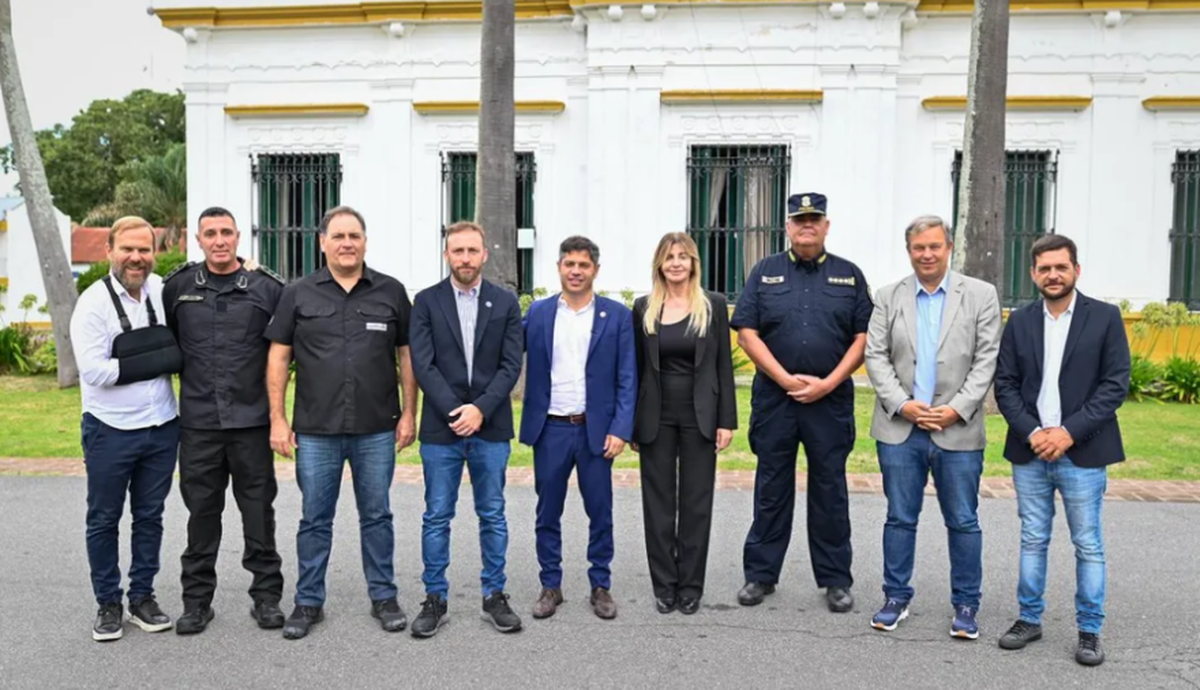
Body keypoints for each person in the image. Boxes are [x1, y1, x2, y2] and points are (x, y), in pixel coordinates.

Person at [264, 205, 418, 640]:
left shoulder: (390, 291)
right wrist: (277, 419)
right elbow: (278, 357)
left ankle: (384, 597)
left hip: (376, 428)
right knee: (315, 518)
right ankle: (308, 602)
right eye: (339, 236)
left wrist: (410, 413)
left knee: (377, 516)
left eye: (354, 236)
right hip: (315, 429)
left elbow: (406, 355)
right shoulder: (297, 293)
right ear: (323, 242)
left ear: (364, 242)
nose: (347, 243)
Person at [730, 192, 873, 613]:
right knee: (771, 487)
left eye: (814, 219)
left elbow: (863, 336)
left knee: (830, 489)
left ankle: (835, 580)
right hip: (776, 400)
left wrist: (828, 383)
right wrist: (785, 379)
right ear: (788, 227)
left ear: (826, 225)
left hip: (829, 402)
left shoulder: (849, 275)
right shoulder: (765, 271)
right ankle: (760, 575)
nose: (806, 225)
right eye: (799, 219)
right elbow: (747, 331)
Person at [993, 234, 1130, 667]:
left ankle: (1089, 631)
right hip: (1030, 450)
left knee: (1087, 543)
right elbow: (1006, 384)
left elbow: (1114, 385)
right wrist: (1034, 432)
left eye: (1061, 267)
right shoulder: (1020, 320)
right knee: (1033, 539)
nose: (1053, 274)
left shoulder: (1105, 318)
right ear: (1034, 274)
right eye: (1045, 268)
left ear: (1076, 270)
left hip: (1082, 450)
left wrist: (1067, 433)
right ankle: (1029, 619)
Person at [863, 215, 1001, 639]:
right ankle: (895, 597)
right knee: (900, 518)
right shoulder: (888, 296)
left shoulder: (980, 295)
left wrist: (956, 409)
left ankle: (966, 604)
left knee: (962, 519)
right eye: (919, 247)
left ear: (949, 248)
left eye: (934, 246)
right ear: (909, 251)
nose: (927, 254)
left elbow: (986, 359)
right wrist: (903, 405)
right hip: (901, 429)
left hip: (956, 429)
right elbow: (875, 356)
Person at [162, 206, 286, 635]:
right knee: (201, 515)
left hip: (251, 424)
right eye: (210, 233)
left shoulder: (266, 289)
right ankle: (196, 603)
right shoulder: (177, 288)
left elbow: (282, 355)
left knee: (258, 514)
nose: (219, 240)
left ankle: (266, 598)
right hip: (198, 425)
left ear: (238, 237)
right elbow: (166, 344)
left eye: (226, 232)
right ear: (198, 239)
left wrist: (277, 418)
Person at [407, 221, 525, 638]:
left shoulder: (505, 302)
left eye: (472, 251)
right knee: (437, 516)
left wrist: (480, 409)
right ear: (447, 255)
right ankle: (434, 598)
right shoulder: (425, 302)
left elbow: (511, 364)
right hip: (442, 430)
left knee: (492, 514)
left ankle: (495, 595)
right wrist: (458, 411)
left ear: (484, 254)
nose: (465, 259)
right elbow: (423, 364)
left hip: (491, 429)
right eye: (457, 251)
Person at [70, 216, 182, 641]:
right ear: (109, 251)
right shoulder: (92, 304)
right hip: (109, 430)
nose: (136, 257)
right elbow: (95, 371)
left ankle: (142, 598)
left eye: (144, 249)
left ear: (154, 253)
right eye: (127, 249)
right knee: (104, 519)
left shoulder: (160, 292)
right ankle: (108, 604)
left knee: (150, 516)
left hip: (162, 427)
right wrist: (164, 360)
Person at [519, 235, 637, 620]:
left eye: (583, 265)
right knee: (546, 512)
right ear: (558, 268)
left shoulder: (615, 315)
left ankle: (600, 584)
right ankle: (550, 585)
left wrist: (620, 428)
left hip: (595, 430)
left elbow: (627, 377)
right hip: (550, 428)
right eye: (569, 263)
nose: (575, 271)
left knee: (600, 511)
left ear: (595, 271)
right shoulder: (538, 313)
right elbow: (503, 351)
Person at [631, 232, 737, 615]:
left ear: (694, 263)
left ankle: (691, 586)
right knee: (658, 504)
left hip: (700, 415)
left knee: (696, 503)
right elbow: (637, 370)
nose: (676, 263)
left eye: (683, 256)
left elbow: (723, 366)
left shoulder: (713, 305)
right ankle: (665, 585)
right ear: (659, 264)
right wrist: (631, 425)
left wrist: (727, 420)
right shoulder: (643, 307)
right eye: (669, 257)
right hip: (655, 416)